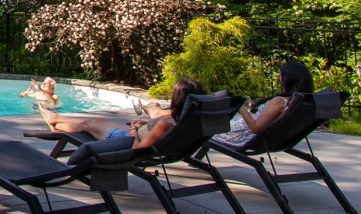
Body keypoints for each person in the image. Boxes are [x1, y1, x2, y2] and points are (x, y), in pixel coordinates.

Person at [38, 78, 207, 149]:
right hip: (138, 132)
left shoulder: (166, 124)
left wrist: (134, 129)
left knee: (87, 125)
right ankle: (57, 122)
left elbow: (138, 150)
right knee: (97, 119)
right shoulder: (191, 121)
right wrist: (145, 125)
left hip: (128, 139)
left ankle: (55, 120)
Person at [211, 61, 314, 148]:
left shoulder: (279, 102)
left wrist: (240, 107)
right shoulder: (297, 102)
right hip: (252, 134)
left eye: (281, 75)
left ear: (288, 79)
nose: (279, 77)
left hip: (239, 135)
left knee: (206, 126)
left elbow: (256, 128)